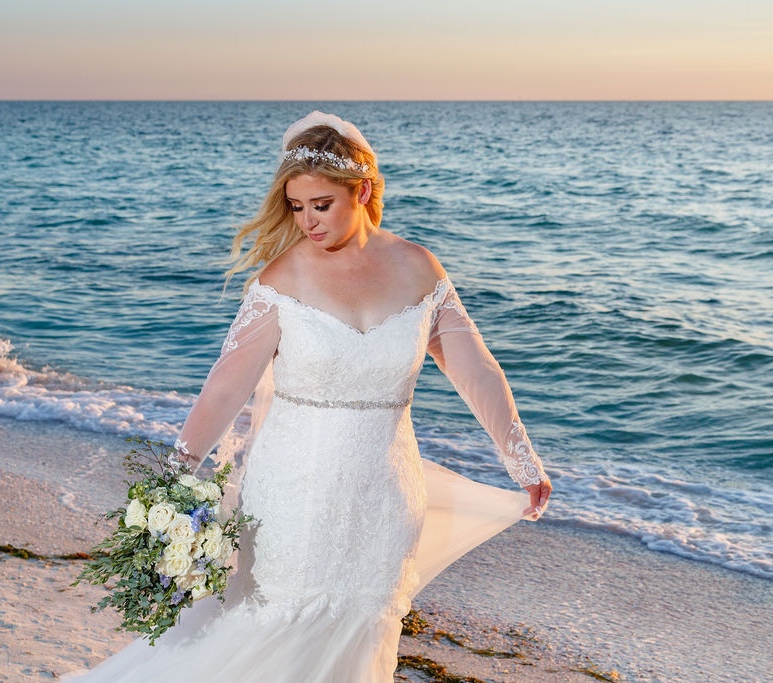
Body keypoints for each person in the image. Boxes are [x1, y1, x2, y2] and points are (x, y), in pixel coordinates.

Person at [71, 111, 552, 682]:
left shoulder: (421, 269)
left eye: (321, 205)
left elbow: (476, 370)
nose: (307, 222)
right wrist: (177, 474)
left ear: (363, 191)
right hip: (293, 492)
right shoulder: (280, 281)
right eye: (297, 208)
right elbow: (227, 385)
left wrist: (521, 460)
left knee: (364, 627)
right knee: (274, 625)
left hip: (387, 496)